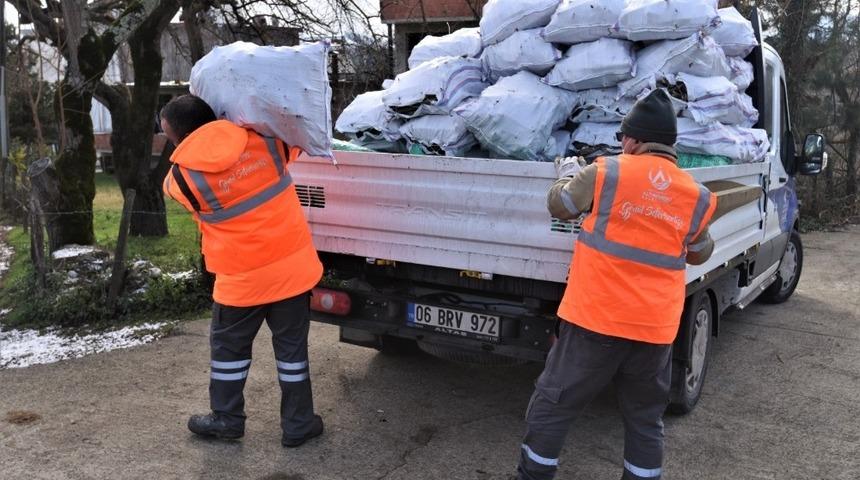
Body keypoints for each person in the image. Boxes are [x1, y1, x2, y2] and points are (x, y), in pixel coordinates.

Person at [516, 89, 717, 480]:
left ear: (634, 140)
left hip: (596, 321)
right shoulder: (696, 196)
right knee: (645, 419)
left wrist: (567, 176)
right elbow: (699, 253)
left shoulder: (606, 172)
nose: (621, 143)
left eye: (624, 137)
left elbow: (561, 206)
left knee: (554, 403)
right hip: (654, 331)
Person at [160, 94, 324, 447]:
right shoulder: (266, 143)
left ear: (177, 138)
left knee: (229, 354)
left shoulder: (181, 180)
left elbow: (179, 192)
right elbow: (296, 142)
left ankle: (226, 419)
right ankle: (298, 424)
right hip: (292, 274)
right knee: (292, 354)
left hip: (240, 283)